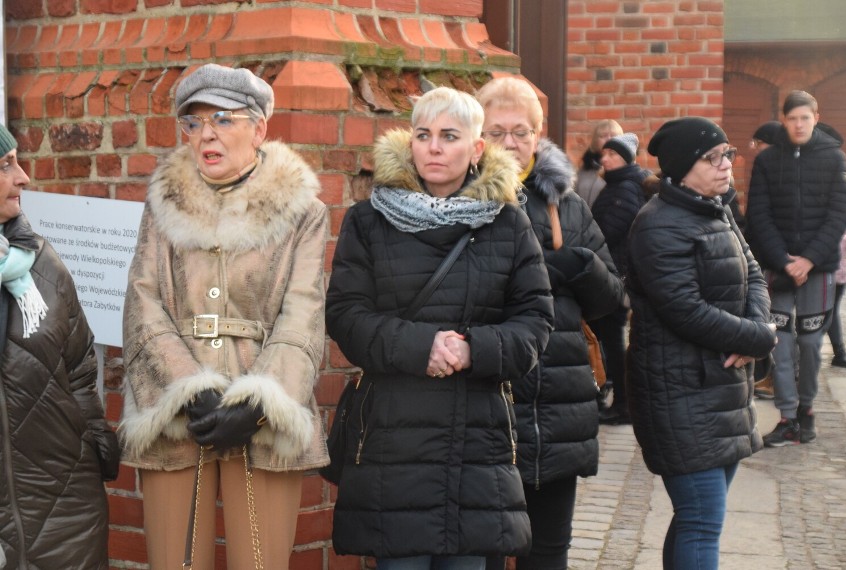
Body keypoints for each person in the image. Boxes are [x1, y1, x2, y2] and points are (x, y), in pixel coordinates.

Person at [325, 86, 554, 569]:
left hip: (477, 437)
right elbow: (346, 315)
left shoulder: (508, 224)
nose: (433, 146)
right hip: (393, 438)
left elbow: (535, 321)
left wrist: (475, 349)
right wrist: (421, 346)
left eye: (449, 136)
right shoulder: (368, 221)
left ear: (475, 149)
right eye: (423, 134)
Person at [119, 63, 329, 569]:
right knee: (175, 562)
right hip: (174, 408)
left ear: (259, 128)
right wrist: (187, 388)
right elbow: (142, 300)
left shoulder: (303, 211)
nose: (205, 134)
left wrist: (262, 402)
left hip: (262, 413)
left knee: (261, 561)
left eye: (223, 119)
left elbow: (303, 311)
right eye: (193, 122)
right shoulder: (162, 203)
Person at [476, 77, 624, 569]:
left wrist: (581, 265)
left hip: (557, 406)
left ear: (538, 137)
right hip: (489, 405)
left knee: (548, 551)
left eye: (521, 132)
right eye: (497, 132)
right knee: (485, 547)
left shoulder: (566, 203)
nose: (511, 143)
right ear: (479, 137)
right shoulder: (463, 201)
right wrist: (542, 272)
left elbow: (612, 300)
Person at [627, 117, 777, 570]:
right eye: (711, 158)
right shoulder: (658, 225)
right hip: (679, 391)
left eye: (726, 153)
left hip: (721, 386)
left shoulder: (717, 209)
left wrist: (756, 331)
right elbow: (684, 309)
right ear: (680, 168)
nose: (725, 165)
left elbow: (752, 272)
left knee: (696, 517)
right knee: (702, 518)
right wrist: (758, 336)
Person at [0, 123, 120, 568]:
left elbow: (79, 367)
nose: (23, 177)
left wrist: (96, 447)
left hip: (67, 506)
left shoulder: (41, 262)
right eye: (5, 166)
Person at [746, 90, 846, 447]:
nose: (799, 124)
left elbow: (839, 215)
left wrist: (808, 260)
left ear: (816, 118)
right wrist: (784, 260)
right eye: (792, 118)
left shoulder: (834, 158)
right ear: (784, 120)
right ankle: (787, 416)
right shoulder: (767, 160)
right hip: (778, 268)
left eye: (805, 117)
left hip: (818, 269)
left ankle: (806, 410)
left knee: (809, 343)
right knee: (780, 341)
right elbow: (758, 214)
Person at [591, 132, 648, 425]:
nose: (605, 159)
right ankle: (617, 399)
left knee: (613, 341)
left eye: (612, 154)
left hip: (615, 275)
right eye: (604, 154)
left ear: (625, 158)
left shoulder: (624, 188)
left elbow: (606, 232)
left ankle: (623, 403)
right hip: (613, 273)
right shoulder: (618, 185)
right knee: (610, 339)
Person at [748, 120, 785, 399]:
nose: (754, 148)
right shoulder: (766, 168)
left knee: (778, 322)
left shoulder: (777, 171)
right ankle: (769, 376)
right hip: (764, 256)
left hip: (773, 259)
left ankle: (777, 380)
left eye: (758, 142)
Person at [575, 119, 623, 208]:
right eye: (603, 136)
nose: (609, 139)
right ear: (595, 141)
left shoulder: (624, 170)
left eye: (613, 135)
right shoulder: (584, 170)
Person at [828, 218, 846, 368]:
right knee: (829, 312)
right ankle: (839, 353)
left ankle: (840, 352)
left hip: (837, 274)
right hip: (832, 274)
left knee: (830, 311)